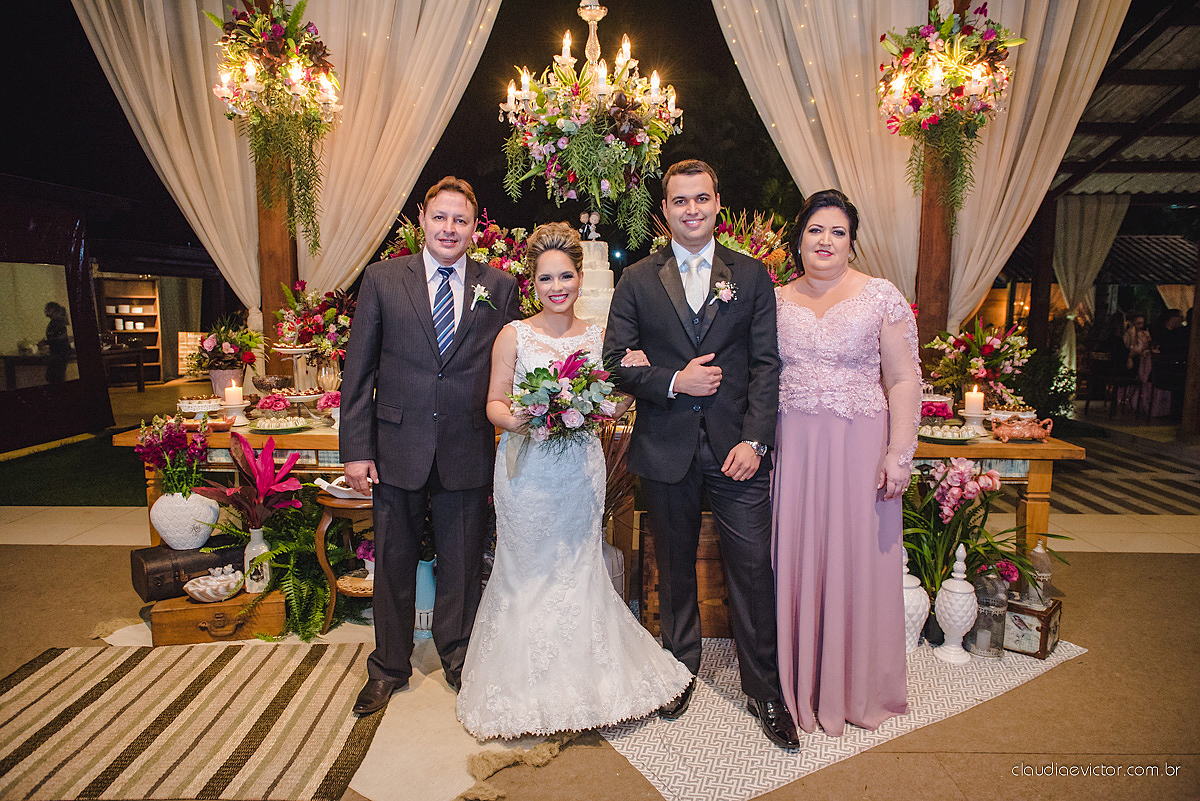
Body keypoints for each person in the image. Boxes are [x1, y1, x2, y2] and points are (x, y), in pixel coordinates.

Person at [456, 222, 691, 739]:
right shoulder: (512, 335)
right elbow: (493, 402)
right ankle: (522, 688)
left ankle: (586, 682)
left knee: (576, 565)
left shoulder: (600, 335)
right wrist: (523, 417)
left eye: (565, 276)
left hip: (579, 470)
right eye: (546, 279)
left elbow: (615, 402)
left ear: (580, 278)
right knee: (525, 570)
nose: (556, 287)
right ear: (532, 283)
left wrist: (630, 381)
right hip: (525, 470)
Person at [603, 159, 800, 749]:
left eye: (701, 199)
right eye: (680, 200)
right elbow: (615, 362)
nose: (691, 209)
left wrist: (755, 439)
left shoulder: (752, 275)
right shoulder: (638, 279)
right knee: (675, 566)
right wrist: (671, 380)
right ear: (664, 210)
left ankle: (764, 691)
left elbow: (767, 365)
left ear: (718, 203)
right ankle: (680, 669)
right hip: (665, 450)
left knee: (751, 570)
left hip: (736, 449)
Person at [340, 177, 521, 716]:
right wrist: (356, 447)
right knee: (392, 562)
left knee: (461, 564)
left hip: (466, 444)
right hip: (395, 446)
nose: (449, 228)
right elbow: (359, 369)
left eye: (460, 220)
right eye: (440, 217)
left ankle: (458, 656)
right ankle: (389, 667)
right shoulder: (382, 279)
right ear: (422, 218)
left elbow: (511, 366)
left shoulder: (501, 286)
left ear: (473, 226)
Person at [771, 189, 920, 736]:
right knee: (800, 554)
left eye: (837, 232)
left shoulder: (881, 297)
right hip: (796, 449)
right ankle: (800, 683)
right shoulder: (777, 299)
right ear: (800, 239)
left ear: (852, 243)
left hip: (859, 450)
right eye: (815, 230)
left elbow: (904, 378)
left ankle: (855, 686)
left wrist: (899, 452)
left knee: (854, 556)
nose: (825, 241)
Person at [39, 301, 71, 383]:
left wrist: (45, 342)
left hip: (60, 355)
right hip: (58, 354)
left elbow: (60, 339)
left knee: (53, 377)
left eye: (47, 309)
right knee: (54, 377)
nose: (45, 310)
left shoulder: (58, 323)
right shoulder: (55, 323)